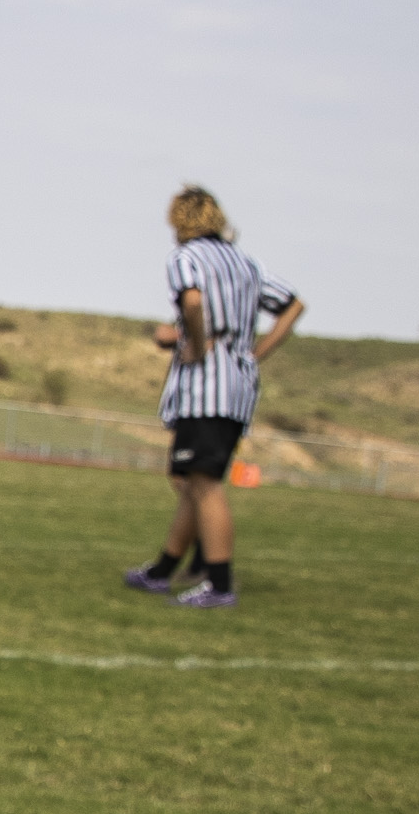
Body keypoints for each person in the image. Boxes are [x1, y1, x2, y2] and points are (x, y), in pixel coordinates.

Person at [126, 188, 299, 611]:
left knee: (202, 483)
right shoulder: (244, 262)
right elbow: (291, 306)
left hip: (207, 387)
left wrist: (194, 344)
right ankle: (164, 570)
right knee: (190, 480)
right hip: (239, 385)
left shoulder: (187, 258)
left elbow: (193, 300)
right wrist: (255, 352)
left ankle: (217, 581)